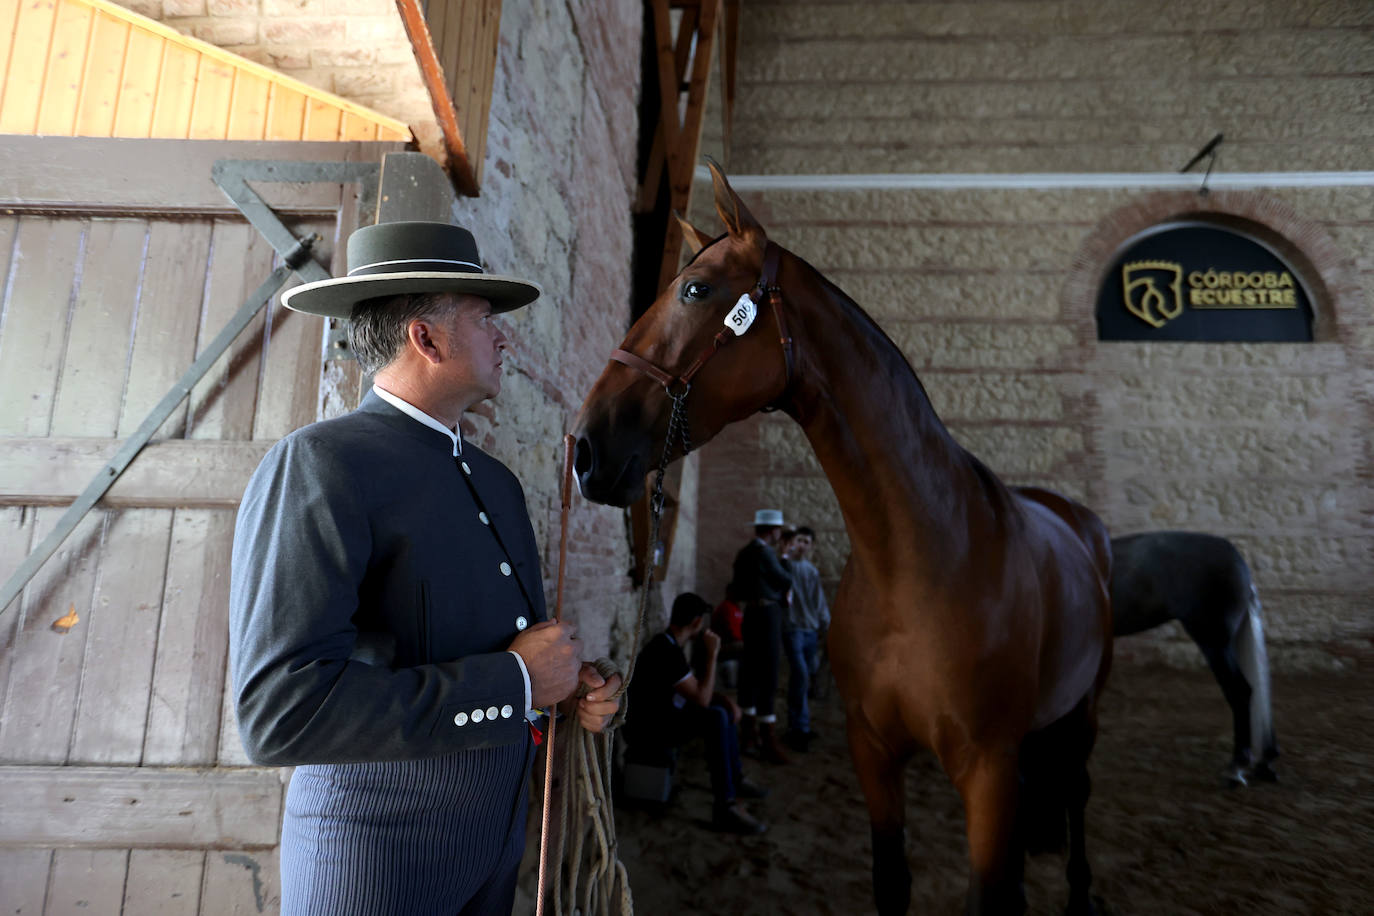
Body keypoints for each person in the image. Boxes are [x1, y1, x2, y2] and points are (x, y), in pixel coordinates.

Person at [228, 220, 621, 915]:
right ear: (426, 337)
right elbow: (278, 714)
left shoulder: (494, 482)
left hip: (494, 853)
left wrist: (564, 690)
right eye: (484, 318)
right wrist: (518, 680)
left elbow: (502, 661)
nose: (504, 337)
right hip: (373, 861)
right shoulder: (321, 464)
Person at [624, 592, 767, 834]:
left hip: (663, 716)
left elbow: (694, 689)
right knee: (715, 716)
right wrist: (712, 654)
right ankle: (726, 805)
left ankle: (736, 779)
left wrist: (724, 700)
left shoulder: (670, 643)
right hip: (647, 729)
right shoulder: (665, 650)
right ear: (697, 623)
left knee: (720, 710)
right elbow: (701, 698)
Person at [729, 508, 794, 764]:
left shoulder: (744, 552)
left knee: (749, 671)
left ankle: (748, 734)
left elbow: (736, 586)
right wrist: (786, 557)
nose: (780, 533)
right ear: (772, 531)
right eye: (779, 529)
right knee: (768, 673)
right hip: (768, 615)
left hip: (750, 615)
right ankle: (766, 739)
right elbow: (785, 579)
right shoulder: (766, 553)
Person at [781, 525, 830, 752]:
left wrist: (825, 626)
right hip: (794, 631)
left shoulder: (811, 571)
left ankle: (801, 725)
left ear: (811, 547)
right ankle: (797, 728)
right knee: (800, 675)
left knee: (805, 678)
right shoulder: (784, 566)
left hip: (810, 632)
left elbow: (819, 602)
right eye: (799, 540)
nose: (802, 545)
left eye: (806, 542)